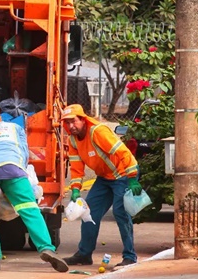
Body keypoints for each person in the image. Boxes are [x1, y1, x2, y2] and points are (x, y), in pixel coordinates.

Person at [0, 105, 68, 273]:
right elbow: (23, 152)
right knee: (30, 209)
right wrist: (18, 173)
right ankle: (46, 248)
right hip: (14, 169)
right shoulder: (14, 127)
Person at [60, 104, 142, 269]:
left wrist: (132, 178)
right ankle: (84, 254)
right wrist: (75, 189)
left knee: (121, 213)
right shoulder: (73, 139)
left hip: (123, 174)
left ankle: (130, 256)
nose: (70, 126)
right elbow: (76, 168)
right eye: (66, 123)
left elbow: (124, 153)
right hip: (104, 178)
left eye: (73, 121)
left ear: (82, 119)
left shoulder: (98, 131)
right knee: (88, 213)